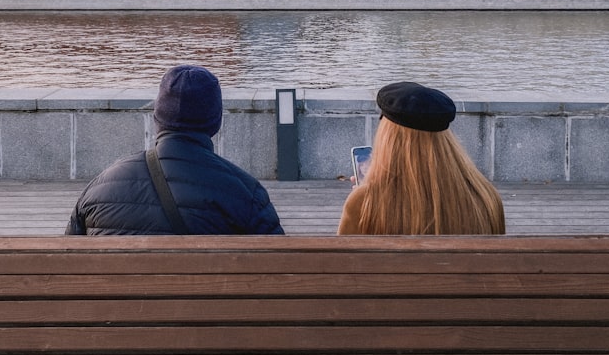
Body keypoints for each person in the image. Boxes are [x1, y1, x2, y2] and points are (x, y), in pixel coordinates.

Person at [66, 64, 284, 235]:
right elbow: (280, 272)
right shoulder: (246, 193)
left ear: (157, 117)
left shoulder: (99, 189)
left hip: (117, 292)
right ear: (215, 122)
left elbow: (69, 265)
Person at [338, 81, 505, 235]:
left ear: (388, 136)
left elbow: (342, 264)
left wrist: (365, 194)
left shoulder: (365, 203)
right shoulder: (486, 197)